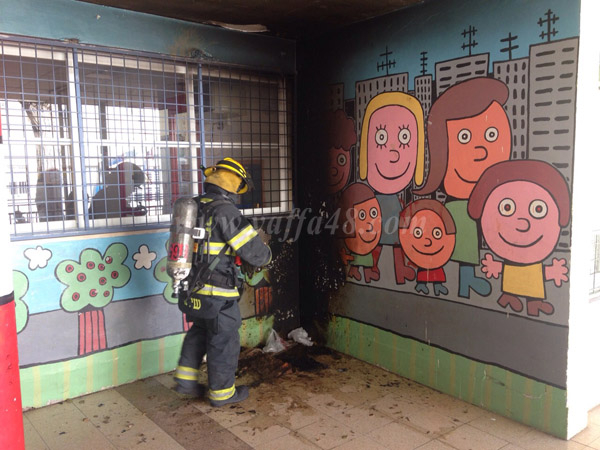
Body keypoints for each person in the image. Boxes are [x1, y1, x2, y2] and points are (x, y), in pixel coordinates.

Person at [174, 157, 271, 407]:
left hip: (191, 287)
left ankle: (185, 381)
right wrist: (267, 255)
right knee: (224, 339)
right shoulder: (226, 211)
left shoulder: (194, 206)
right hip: (218, 290)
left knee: (199, 330)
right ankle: (222, 393)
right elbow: (254, 252)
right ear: (233, 186)